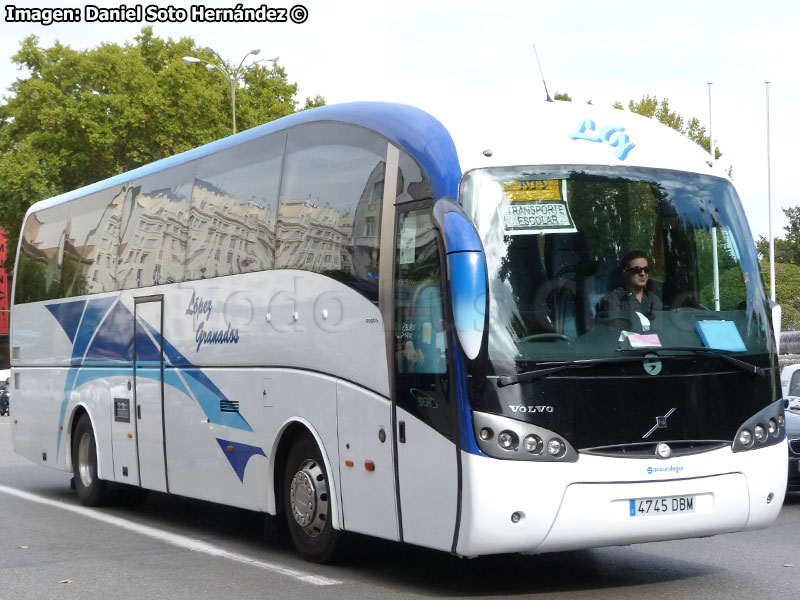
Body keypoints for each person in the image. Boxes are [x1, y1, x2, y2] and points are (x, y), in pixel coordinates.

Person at [597, 250, 662, 331]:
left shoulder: (654, 300)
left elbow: (661, 330)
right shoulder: (613, 299)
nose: (643, 273)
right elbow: (612, 333)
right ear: (625, 273)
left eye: (646, 269)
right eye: (637, 270)